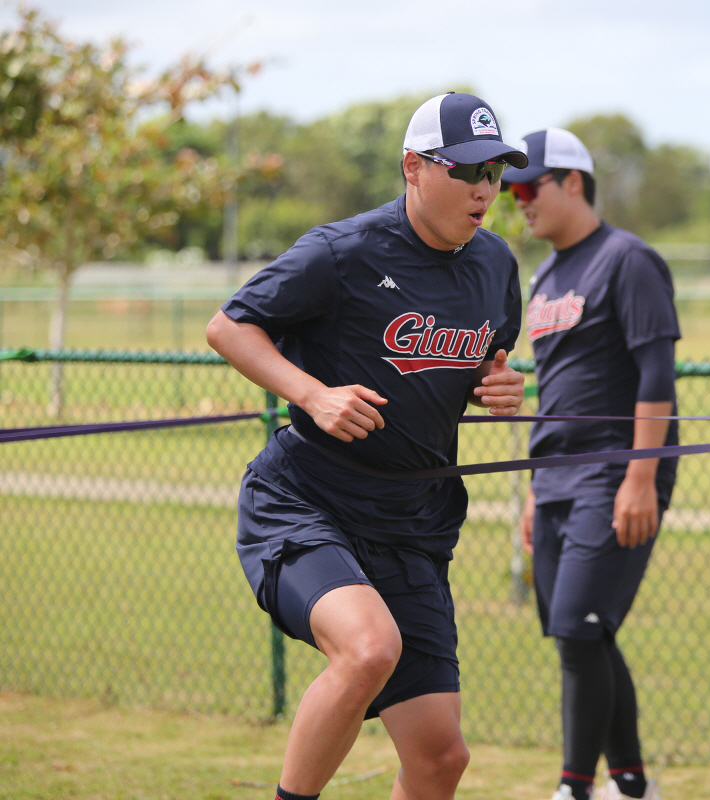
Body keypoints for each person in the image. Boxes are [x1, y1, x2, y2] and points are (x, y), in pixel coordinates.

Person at [205, 92, 528, 800]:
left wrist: (498, 387)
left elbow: (487, 363)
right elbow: (230, 328)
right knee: (368, 649)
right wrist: (313, 393)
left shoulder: (497, 266)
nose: (484, 189)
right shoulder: (341, 251)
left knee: (441, 758)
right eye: (467, 169)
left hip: (412, 522)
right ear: (414, 167)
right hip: (308, 500)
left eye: (496, 173)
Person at [504, 128, 679, 800]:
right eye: (510, 189)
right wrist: (530, 494)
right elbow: (554, 391)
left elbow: (655, 374)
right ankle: (631, 786)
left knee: (578, 627)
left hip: (615, 471)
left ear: (572, 181)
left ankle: (574, 789)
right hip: (554, 476)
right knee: (582, 633)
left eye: (527, 186)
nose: (516, 200)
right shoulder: (545, 274)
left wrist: (641, 476)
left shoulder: (627, 260)